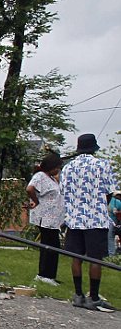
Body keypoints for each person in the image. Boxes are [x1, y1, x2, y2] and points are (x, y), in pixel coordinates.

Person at [60, 133, 118, 312]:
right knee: (95, 259)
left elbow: (63, 192)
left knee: (76, 257)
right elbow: (110, 191)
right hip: (96, 218)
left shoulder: (68, 168)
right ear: (94, 149)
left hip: (74, 218)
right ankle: (93, 297)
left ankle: (78, 295)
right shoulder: (102, 165)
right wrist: (101, 206)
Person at [27, 152, 64, 285]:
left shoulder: (52, 179)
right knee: (50, 245)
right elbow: (30, 189)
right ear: (51, 166)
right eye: (57, 167)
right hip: (46, 217)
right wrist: (36, 201)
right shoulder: (40, 176)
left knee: (54, 245)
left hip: (54, 219)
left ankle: (50, 275)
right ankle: (44, 274)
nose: (58, 170)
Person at [109, 189, 121, 257]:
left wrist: (118, 213)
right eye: (118, 195)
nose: (119, 196)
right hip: (108, 221)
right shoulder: (111, 201)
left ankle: (111, 255)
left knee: (110, 235)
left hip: (114, 222)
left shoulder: (118, 202)